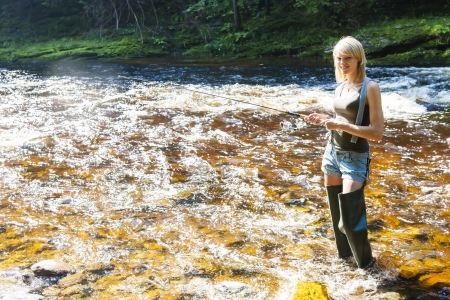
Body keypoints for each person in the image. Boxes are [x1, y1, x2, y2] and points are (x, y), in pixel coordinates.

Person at [304, 36, 384, 268]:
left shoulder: (370, 88)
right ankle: (346, 261)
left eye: (347, 57)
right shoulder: (341, 87)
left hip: (354, 156)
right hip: (332, 153)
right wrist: (324, 120)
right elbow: (340, 119)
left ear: (359, 59)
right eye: (339, 58)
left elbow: (377, 133)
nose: (342, 62)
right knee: (336, 216)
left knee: (350, 221)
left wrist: (340, 125)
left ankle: (367, 267)